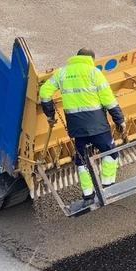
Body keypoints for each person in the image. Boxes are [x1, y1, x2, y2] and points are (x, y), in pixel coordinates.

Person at [39, 48, 126, 201]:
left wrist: (50, 113)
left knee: (82, 159)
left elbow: (44, 92)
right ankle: (107, 185)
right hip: (97, 125)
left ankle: (88, 193)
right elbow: (108, 100)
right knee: (110, 152)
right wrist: (119, 120)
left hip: (76, 127)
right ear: (91, 59)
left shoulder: (62, 73)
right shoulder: (94, 72)